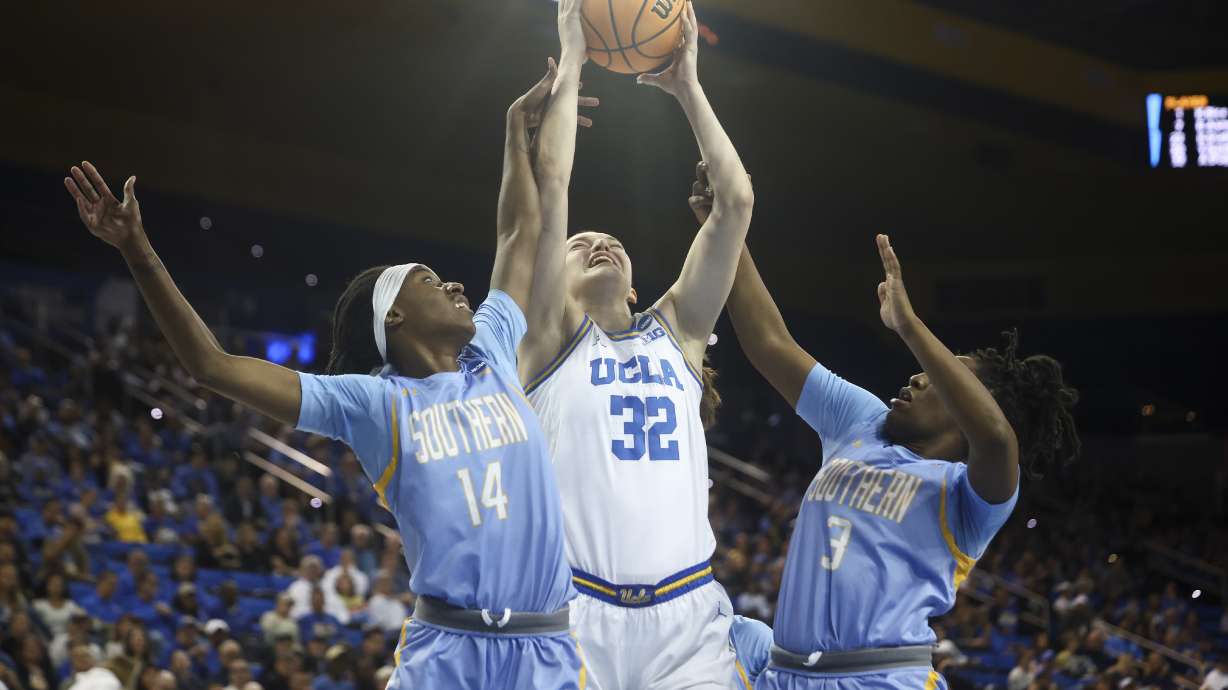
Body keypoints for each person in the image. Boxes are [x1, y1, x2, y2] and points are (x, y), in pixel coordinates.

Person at [64, 36, 595, 686]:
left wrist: (516, 133)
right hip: (449, 657)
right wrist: (138, 251)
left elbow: (517, 232)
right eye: (431, 281)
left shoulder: (490, 353)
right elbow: (213, 366)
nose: (459, 286)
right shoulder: (375, 403)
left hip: (546, 649)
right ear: (393, 317)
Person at [717, 223, 1080, 688]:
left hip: (880, 679)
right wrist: (728, 225)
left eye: (938, 374)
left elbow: (997, 438)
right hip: (785, 672)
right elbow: (770, 343)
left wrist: (909, 326)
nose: (918, 377)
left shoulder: (972, 498)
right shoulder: (862, 422)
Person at [521, 1, 755, 687]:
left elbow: (735, 202)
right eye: (577, 243)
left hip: (688, 620)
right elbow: (552, 183)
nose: (598, 240)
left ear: (632, 289)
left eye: (611, 240)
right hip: (573, 613)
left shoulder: (676, 334)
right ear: (553, 283)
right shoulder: (545, 343)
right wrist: (573, 49)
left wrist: (688, 87)